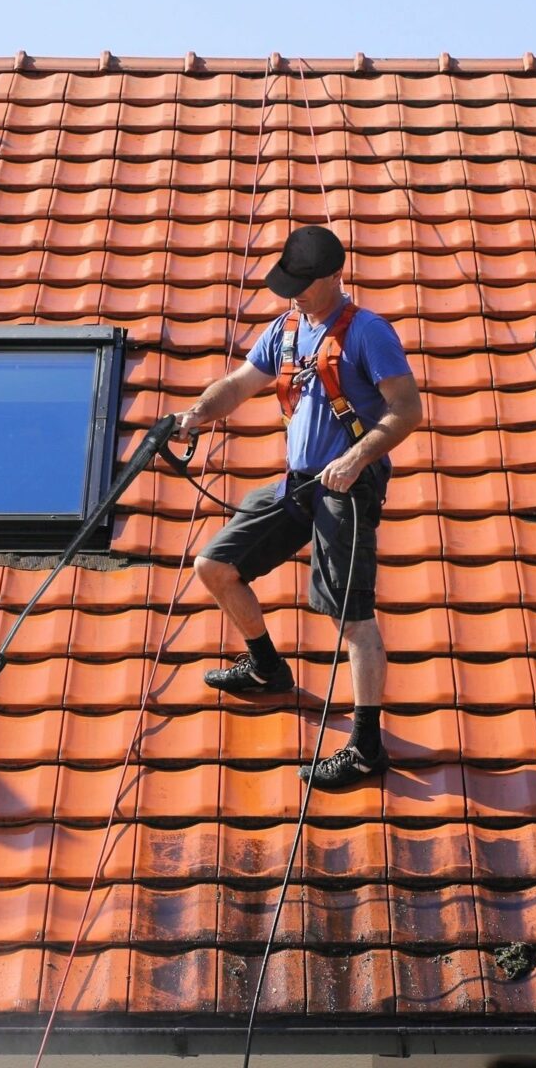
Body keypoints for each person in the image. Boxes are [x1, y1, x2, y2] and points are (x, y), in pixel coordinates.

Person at [174, 225, 422, 790]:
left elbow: (406, 410)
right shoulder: (287, 329)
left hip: (347, 490)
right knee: (215, 565)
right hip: (299, 483)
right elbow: (238, 385)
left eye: (304, 284)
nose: (295, 294)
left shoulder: (369, 333)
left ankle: (365, 746)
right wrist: (196, 413)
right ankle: (265, 665)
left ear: (336, 275)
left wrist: (358, 458)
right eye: (290, 284)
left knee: (350, 618)